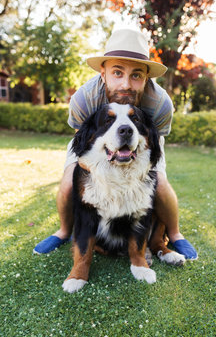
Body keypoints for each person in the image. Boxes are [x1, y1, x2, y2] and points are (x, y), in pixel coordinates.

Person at [33, 28, 198, 260]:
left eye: (136, 75)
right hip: (94, 143)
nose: (126, 84)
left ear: (147, 77)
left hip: (141, 144)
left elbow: (153, 146)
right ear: (103, 73)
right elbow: (82, 143)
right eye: (117, 73)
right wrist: (103, 169)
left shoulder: (161, 104)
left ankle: (175, 234)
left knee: (159, 185)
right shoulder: (83, 98)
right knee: (70, 184)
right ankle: (63, 231)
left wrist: (133, 170)